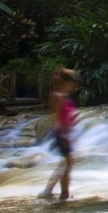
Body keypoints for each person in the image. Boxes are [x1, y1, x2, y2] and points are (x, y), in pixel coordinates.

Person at [39, 68, 80, 200]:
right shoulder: (56, 96)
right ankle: (62, 193)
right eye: (72, 82)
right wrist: (63, 135)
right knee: (68, 163)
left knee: (66, 163)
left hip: (67, 132)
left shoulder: (65, 96)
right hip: (61, 133)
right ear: (65, 82)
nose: (74, 85)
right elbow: (55, 117)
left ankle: (51, 191)